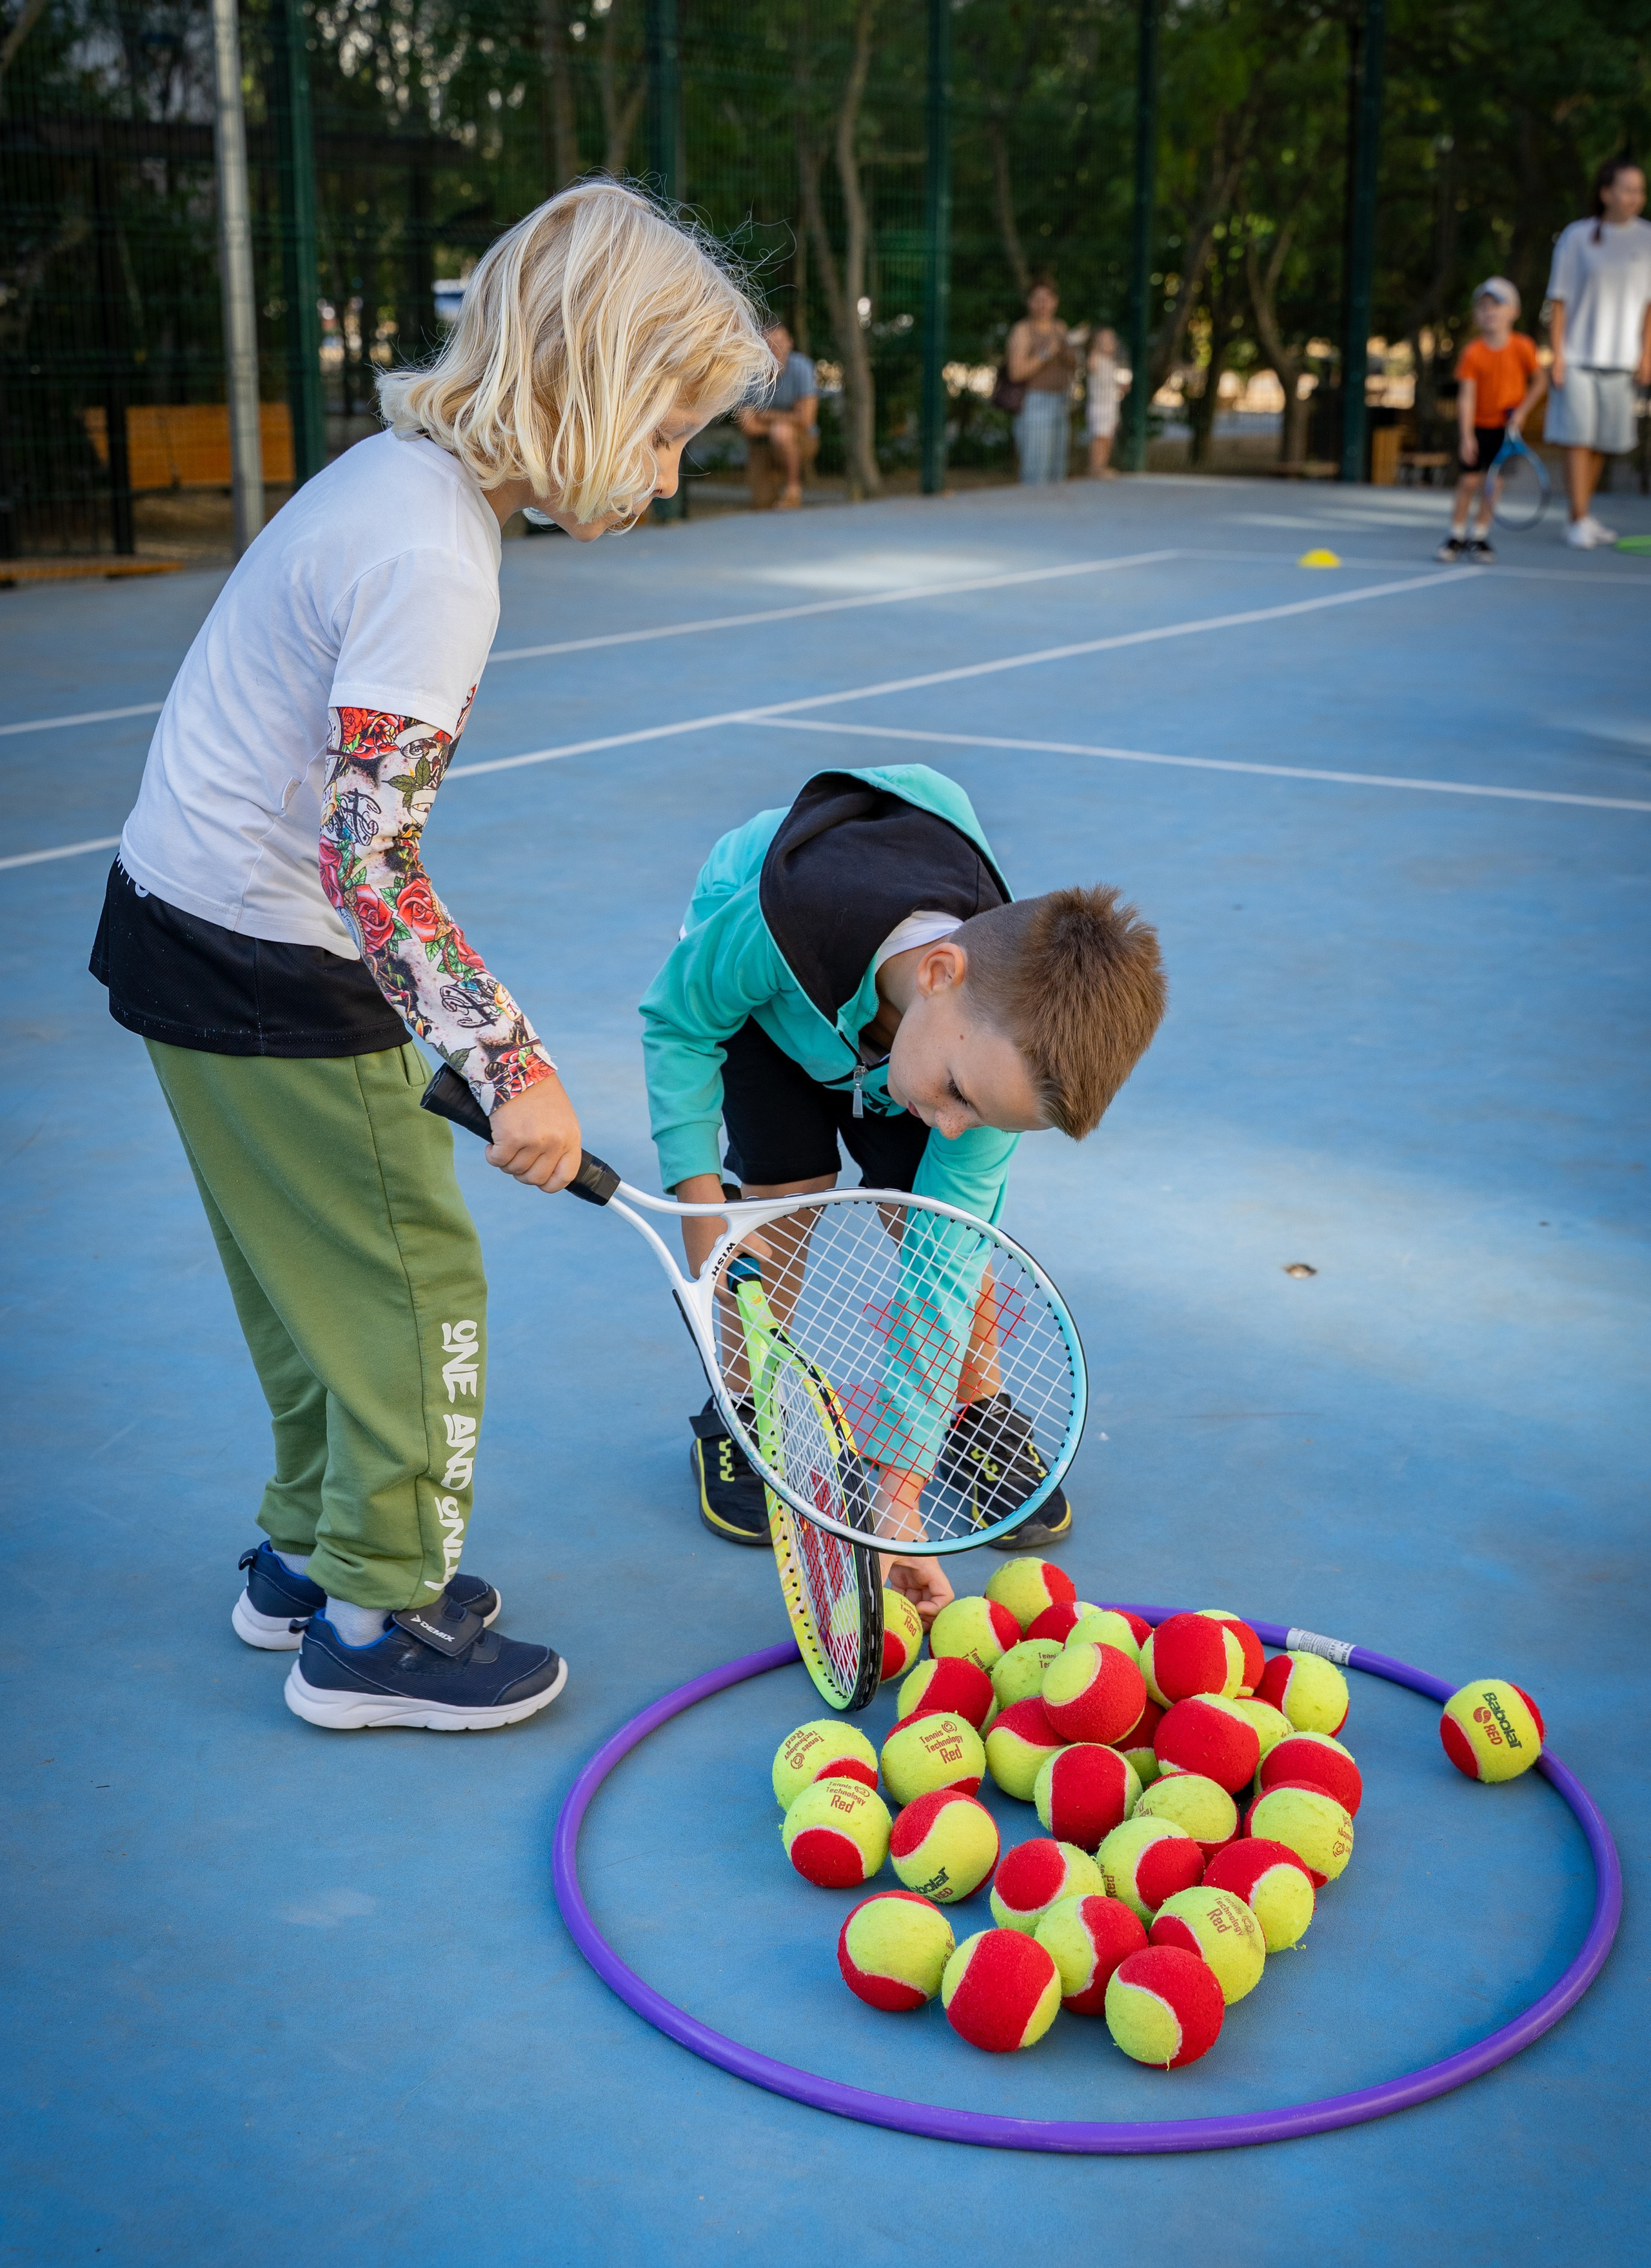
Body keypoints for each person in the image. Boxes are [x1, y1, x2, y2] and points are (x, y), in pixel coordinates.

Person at [89, 181, 771, 1732]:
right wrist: (510, 1062)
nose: (667, 476)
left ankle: (304, 1553)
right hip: (270, 956)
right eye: (665, 434)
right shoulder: (436, 557)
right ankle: (371, 1619)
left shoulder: (392, 479)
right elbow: (369, 858)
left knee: (306, 1271)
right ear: (589, 383)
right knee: (412, 1283)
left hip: (184, 929)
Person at [637, 765, 1167, 1622]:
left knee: (930, 1218)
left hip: (899, 1049)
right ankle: (740, 1407)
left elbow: (944, 1264)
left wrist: (898, 1492)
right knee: (786, 1196)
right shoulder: (781, 922)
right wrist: (701, 1202)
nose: (953, 1126)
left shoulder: (982, 1063)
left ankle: (973, 1411)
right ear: (939, 973)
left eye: (983, 1117)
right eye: (958, 1094)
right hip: (771, 1009)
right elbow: (681, 1022)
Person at [1545, 155, 1651, 549]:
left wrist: (1647, 356)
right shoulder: (1577, 236)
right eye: (1626, 189)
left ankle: (1584, 514)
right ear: (1606, 192)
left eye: (1639, 190)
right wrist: (1557, 355)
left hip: (1622, 360)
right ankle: (1577, 520)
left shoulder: (1648, 238)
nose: (1634, 197)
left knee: (1604, 442)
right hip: (1576, 358)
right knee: (1578, 439)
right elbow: (1559, 300)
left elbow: (1648, 307)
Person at [1435, 279, 1546, 564]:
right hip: (1478, 428)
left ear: (1514, 312)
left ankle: (1480, 535)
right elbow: (1466, 397)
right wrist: (1466, 435)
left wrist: (1522, 412)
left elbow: (1540, 381)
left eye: (1497, 306)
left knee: (1493, 485)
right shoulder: (1473, 353)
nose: (1490, 312)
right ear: (1476, 315)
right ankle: (1456, 535)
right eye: (1483, 307)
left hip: (1505, 430)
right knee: (1469, 481)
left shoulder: (1523, 347)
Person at [736, 319, 818, 509]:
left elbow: (807, 420)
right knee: (762, 503)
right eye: (770, 345)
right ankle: (779, 477)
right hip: (762, 444)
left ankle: (793, 487)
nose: (777, 349)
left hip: (803, 439)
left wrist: (766, 416)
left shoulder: (802, 367)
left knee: (782, 432)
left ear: (790, 343)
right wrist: (787, 421)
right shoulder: (748, 373)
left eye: (781, 343)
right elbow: (748, 427)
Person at [1007, 282, 1078, 486]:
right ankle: (1031, 514)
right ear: (1029, 303)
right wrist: (1047, 353)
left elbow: (1071, 365)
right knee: (1036, 471)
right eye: (1037, 300)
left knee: (1058, 469)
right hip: (1035, 403)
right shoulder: (1023, 330)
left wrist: (1070, 352)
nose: (1043, 305)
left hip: (1061, 401)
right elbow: (1016, 373)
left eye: (1047, 299)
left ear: (1055, 302)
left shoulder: (1060, 327)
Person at [1086, 325, 1124, 477]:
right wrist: (1094, 348)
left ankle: (1103, 466)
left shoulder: (1111, 363)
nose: (1109, 343)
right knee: (1100, 439)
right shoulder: (1096, 360)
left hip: (1111, 407)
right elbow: (1091, 365)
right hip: (1099, 408)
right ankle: (1095, 467)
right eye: (1104, 340)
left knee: (1108, 439)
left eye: (1111, 340)